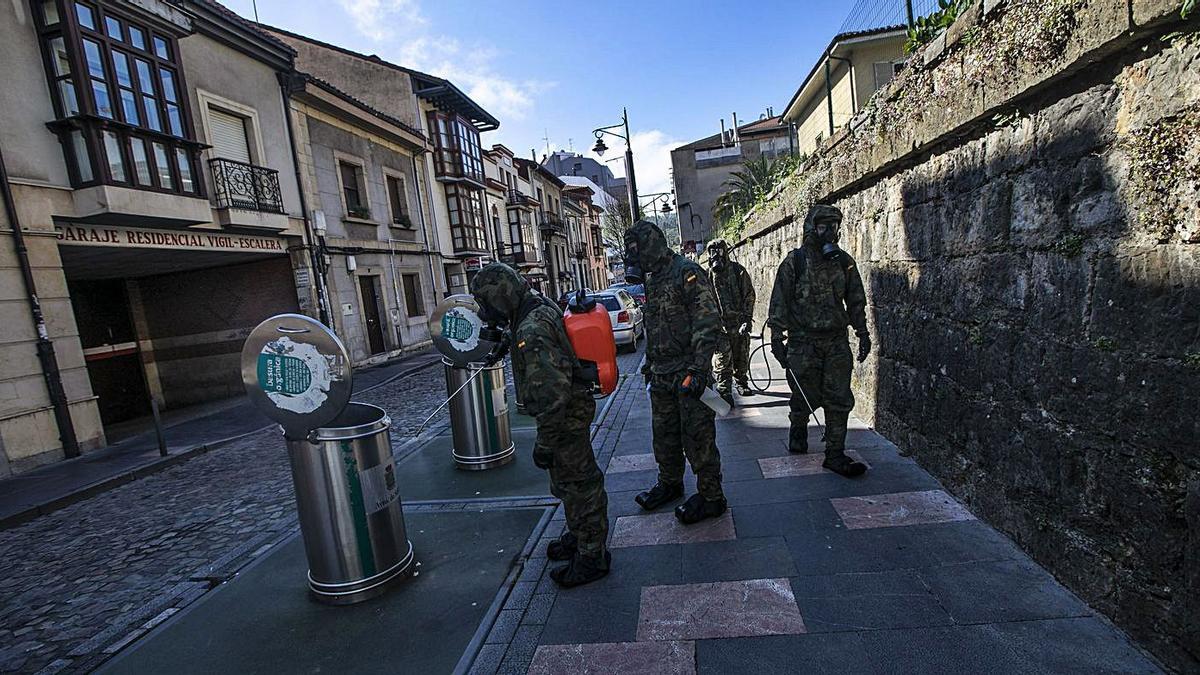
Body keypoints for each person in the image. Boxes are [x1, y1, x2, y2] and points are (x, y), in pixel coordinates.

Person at [470, 262, 611, 586]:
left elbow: (552, 395)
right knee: (567, 484)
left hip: (564, 418)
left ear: (501, 296)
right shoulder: (534, 304)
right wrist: (505, 343)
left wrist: (545, 444)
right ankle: (580, 538)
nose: (485, 310)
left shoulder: (531, 329)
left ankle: (593, 557)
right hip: (568, 412)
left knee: (580, 486)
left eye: (486, 302)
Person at [624, 220, 728, 523]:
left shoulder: (686, 271)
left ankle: (712, 497)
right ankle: (669, 483)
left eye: (637, 250)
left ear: (651, 245)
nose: (634, 257)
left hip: (687, 372)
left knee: (698, 437)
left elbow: (707, 321)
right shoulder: (653, 279)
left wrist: (698, 369)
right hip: (660, 375)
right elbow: (656, 327)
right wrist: (649, 364)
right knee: (665, 436)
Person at [767, 204, 871, 477]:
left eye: (834, 227)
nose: (830, 232)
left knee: (838, 398)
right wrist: (777, 337)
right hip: (803, 343)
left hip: (836, 342)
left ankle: (835, 454)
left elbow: (856, 301)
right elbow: (779, 301)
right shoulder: (795, 262)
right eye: (824, 226)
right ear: (812, 228)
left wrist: (862, 332)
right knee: (804, 396)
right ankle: (798, 429)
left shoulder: (844, 262)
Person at [707, 239, 756, 402]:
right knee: (722, 361)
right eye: (712, 251)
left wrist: (747, 319)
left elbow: (749, 295)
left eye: (719, 251)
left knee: (741, 357)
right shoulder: (706, 276)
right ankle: (724, 390)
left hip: (739, 324)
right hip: (719, 327)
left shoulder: (738, 271)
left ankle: (741, 382)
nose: (715, 255)